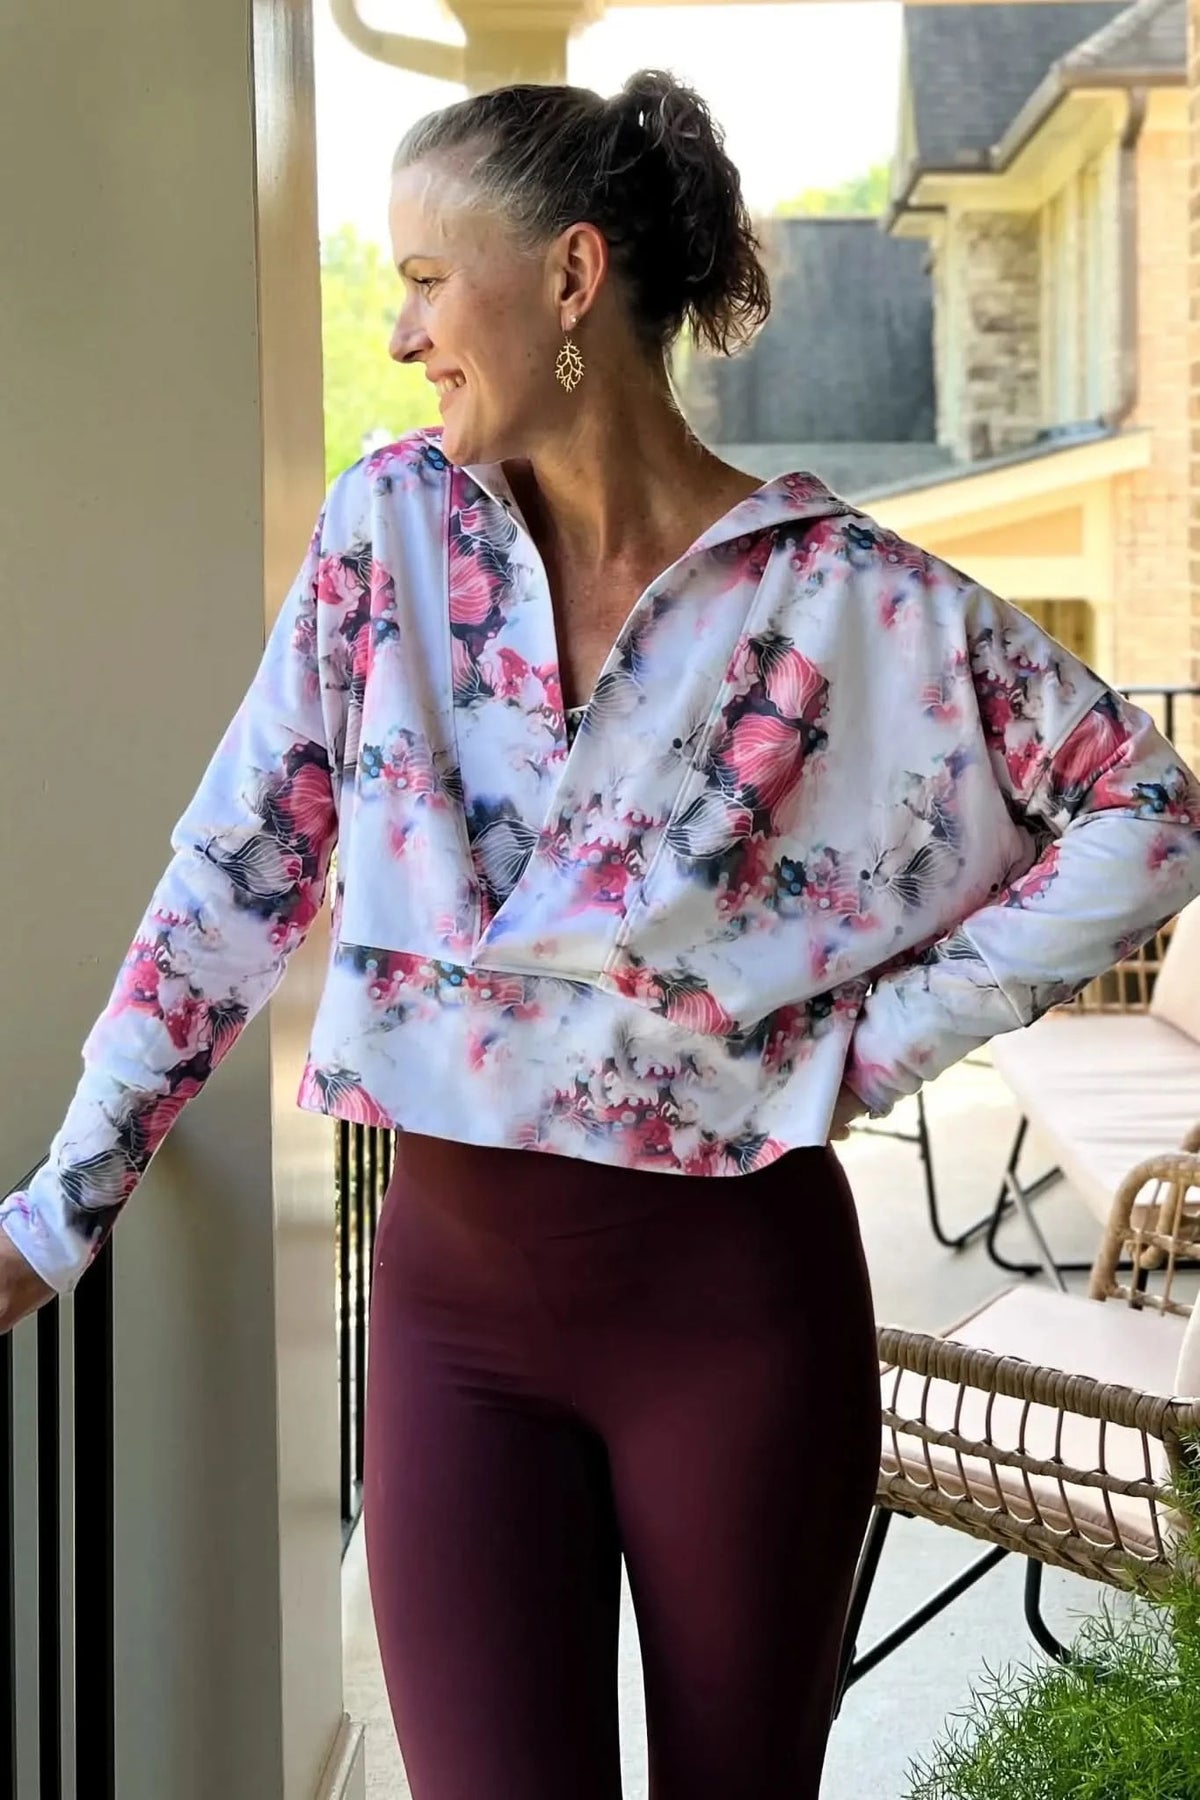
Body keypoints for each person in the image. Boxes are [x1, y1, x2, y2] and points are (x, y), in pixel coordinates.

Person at [3, 67, 1199, 1798]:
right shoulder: (384, 536)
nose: (403, 333)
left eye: (429, 280)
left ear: (570, 277)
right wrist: (60, 1209)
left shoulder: (838, 593)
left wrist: (877, 1042)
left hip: (742, 1321)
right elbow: (235, 875)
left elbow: (1147, 810)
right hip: (454, 1328)